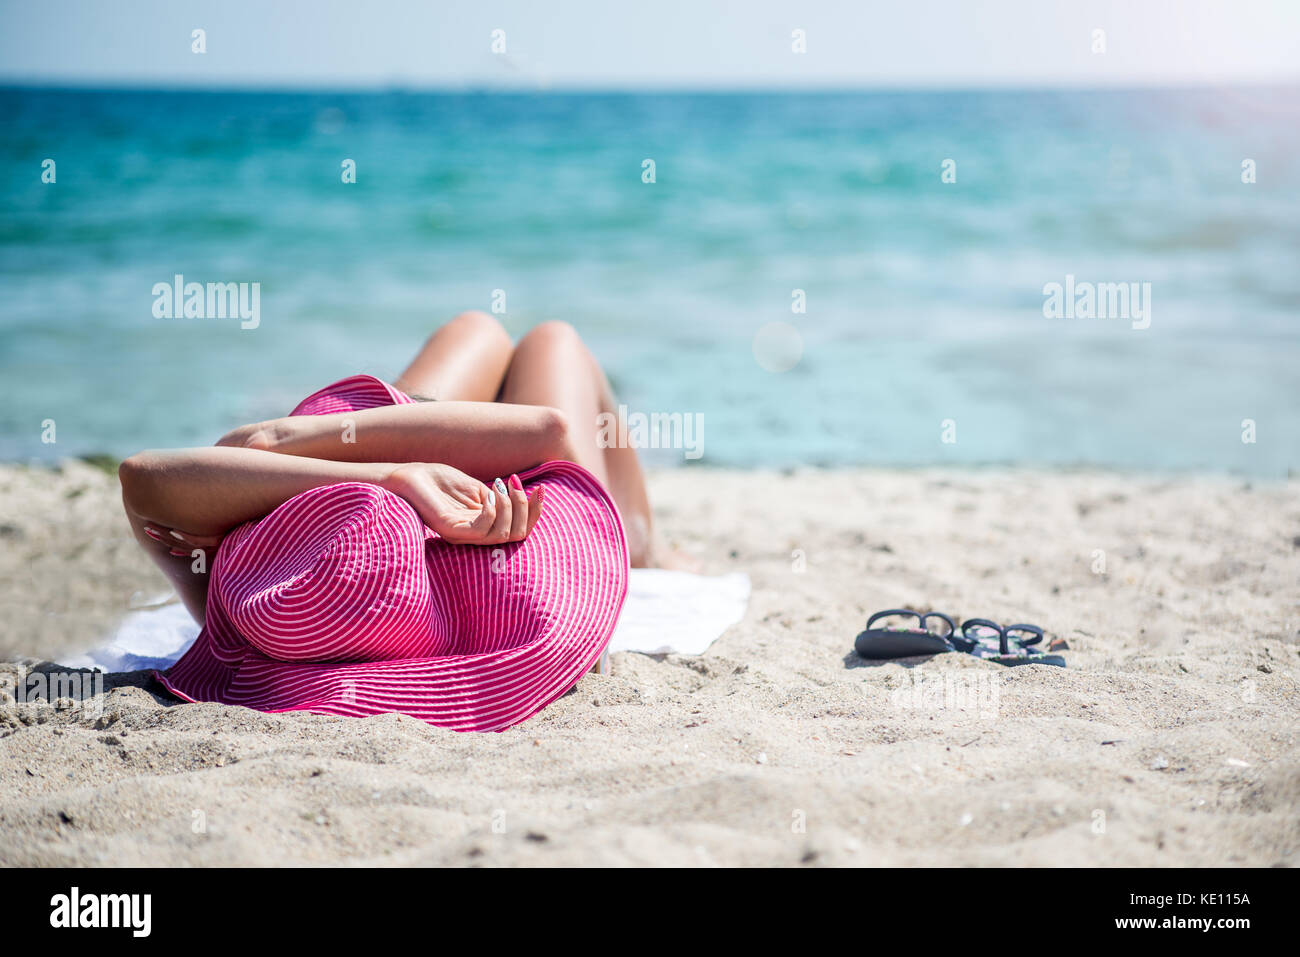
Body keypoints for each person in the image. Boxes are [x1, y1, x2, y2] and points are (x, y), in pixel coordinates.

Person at [118, 311, 659, 629]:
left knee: (478, 326)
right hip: (461, 473)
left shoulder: (258, 612)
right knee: (552, 339)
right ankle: (646, 547)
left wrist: (392, 478)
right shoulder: (518, 614)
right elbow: (548, 432)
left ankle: (646, 545)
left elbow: (142, 474)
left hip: (384, 449)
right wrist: (295, 445)